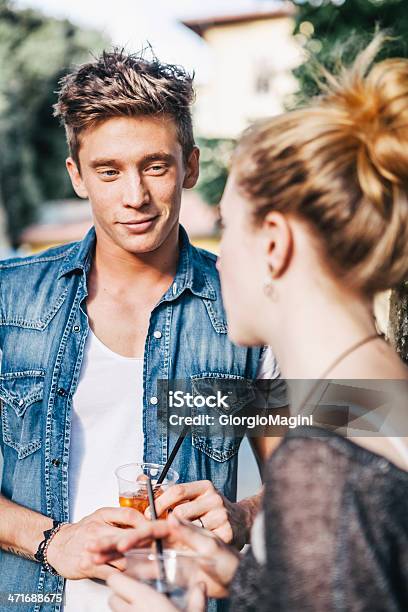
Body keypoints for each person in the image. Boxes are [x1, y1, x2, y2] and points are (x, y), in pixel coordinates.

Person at [91, 35, 408, 611]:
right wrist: (244, 582)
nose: (217, 255)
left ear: (276, 244)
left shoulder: (323, 465)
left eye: (228, 227)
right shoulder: (379, 394)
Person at [0, 50, 287, 612]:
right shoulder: (7, 297)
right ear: (77, 176)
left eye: (155, 166)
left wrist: (243, 515)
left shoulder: (250, 306)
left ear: (190, 167)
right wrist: (51, 538)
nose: (134, 196)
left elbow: (308, 475)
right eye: (109, 171)